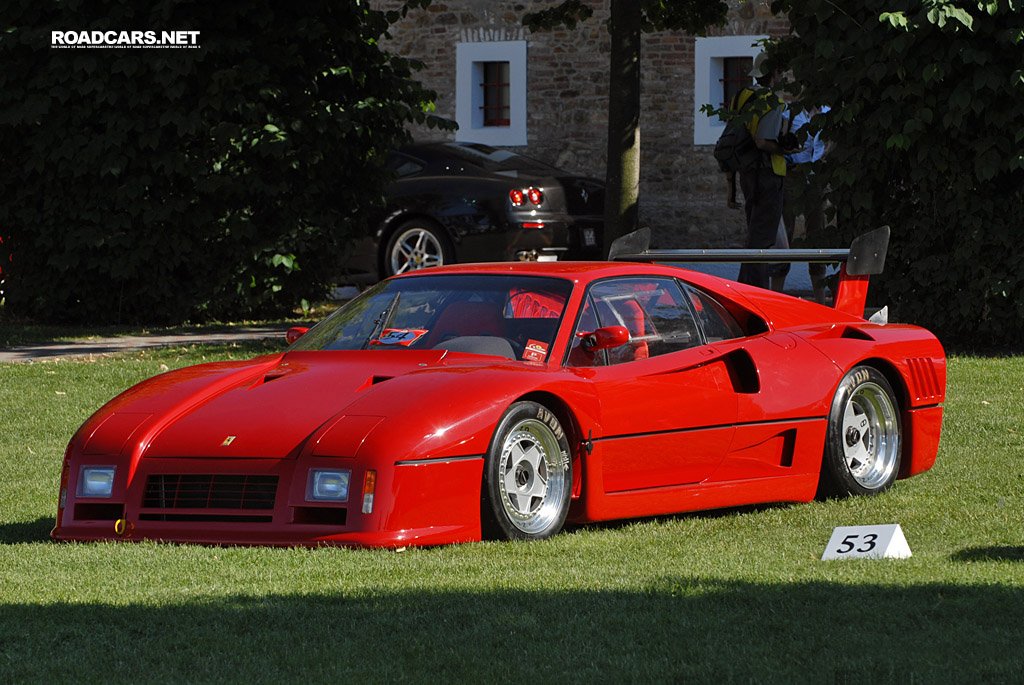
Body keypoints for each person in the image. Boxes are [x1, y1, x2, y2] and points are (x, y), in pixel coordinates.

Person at [731, 53, 794, 290]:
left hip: (746, 172)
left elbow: (735, 135)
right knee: (762, 240)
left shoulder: (741, 96)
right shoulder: (772, 101)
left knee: (754, 233)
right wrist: (784, 150)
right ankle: (754, 291)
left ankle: (744, 286)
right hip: (768, 173)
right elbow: (762, 141)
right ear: (774, 74)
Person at [778, 105, 831, 301]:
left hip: (815, 177)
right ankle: (776, 295)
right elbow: (782, 141)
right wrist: (791, 163)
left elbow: (830, 145)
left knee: (817, 231)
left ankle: (820, 299)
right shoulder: (791, 113)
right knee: (786, 231)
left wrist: (818, 164)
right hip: (792, 176)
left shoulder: (827, 112)